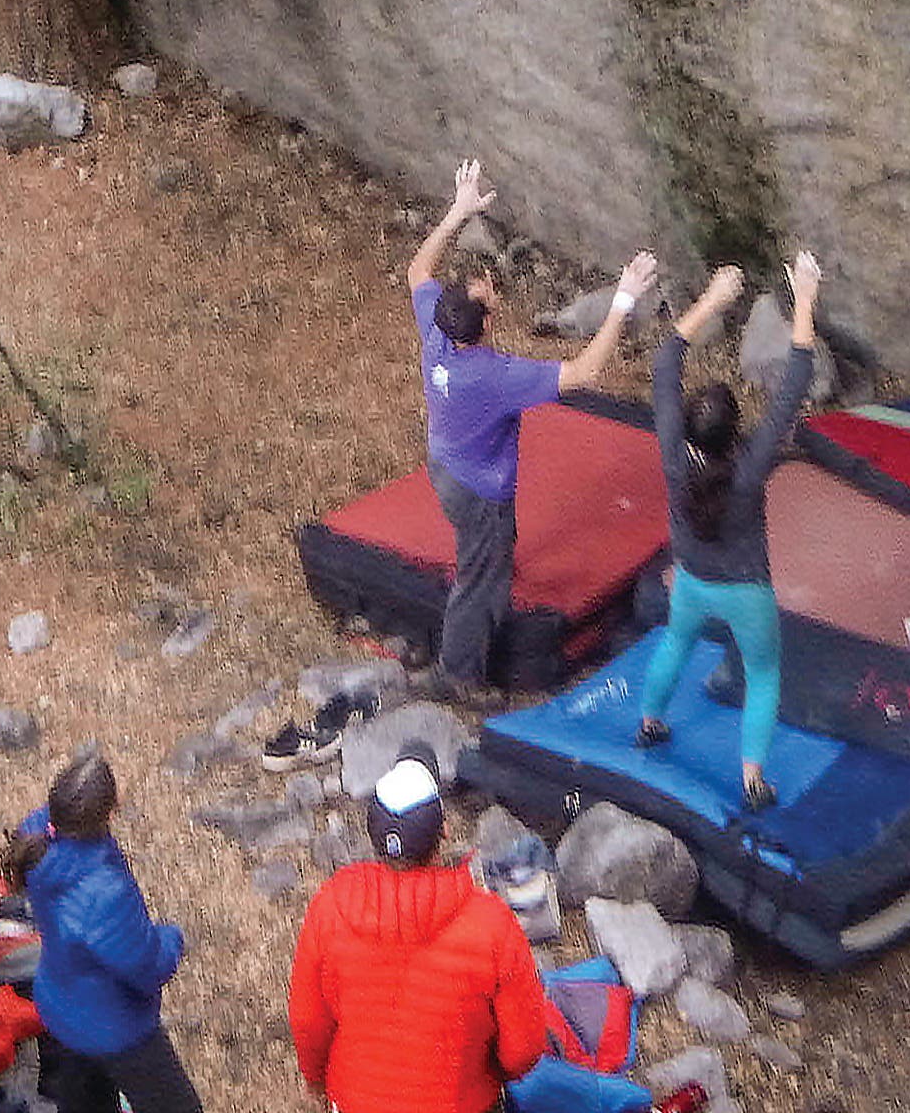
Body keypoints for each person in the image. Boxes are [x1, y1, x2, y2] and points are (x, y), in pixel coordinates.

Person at [287, 758, 701, 1113]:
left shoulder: (330, 904)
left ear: (373, 836)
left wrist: (319, 1083)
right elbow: (524, 1053)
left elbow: (308, 1022)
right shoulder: (491, 924)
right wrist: (488, 1074)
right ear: (444, 831)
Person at [405, 160, 657, 707]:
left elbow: (417, 270)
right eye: (490, 295)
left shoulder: (437, 333)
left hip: (446, 462)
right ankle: (458, 674)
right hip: (480, 490)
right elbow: (585, 370)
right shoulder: (494, 377)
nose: (492, 290)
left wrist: (458, 211)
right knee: (478, 579)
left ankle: (489, 574)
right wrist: (624, 298)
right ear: (486, 323)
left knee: (490, 550)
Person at [636, 253, 822, 810]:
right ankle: (752, 778)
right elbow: (794, 386)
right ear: (735, 430)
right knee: (763, 674)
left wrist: (713, 300)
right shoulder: (751, 463)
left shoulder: (674, 452)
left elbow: (666, 364)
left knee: (675, 641)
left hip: (691, 578)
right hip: (747, 591)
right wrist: (806, 299)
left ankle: (648, 722)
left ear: (689, 425)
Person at [5, 748, 202, 1113]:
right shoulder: (102, 891)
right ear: (107, 813)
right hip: (114, 1028)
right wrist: (172, 939)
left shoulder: (36, 834)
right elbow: (147, 967)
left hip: (59, 1006)